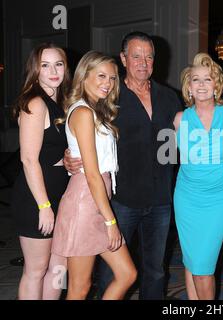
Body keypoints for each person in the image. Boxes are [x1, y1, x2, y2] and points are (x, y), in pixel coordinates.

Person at [64, 32, 182, 299]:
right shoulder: (108, 98)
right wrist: (69, 154)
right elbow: (82, 130)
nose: (143, 62)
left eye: (149, 57)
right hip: (121, 200)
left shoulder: (169, 97)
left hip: (161, 198)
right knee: (110, 273)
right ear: (124, 59)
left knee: (156, 270)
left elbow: (186, 137)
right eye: (136, 56)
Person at [51, 51, 137, 300]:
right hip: (85, 202)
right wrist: (111, 222)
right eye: (101, 76)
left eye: (112, 78)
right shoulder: (83, 113)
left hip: (96, 201)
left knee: (127, 274)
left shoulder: (93, 111)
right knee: (79, 288)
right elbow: (91, 174)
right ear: (84, 76)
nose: (108, 83)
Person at [173, 53, 223, 300]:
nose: (201, 85)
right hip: (187, 199)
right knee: (191, 261)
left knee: (202, 267)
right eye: (195, 80)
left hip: (220, 199)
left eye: (207, 79)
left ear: (216, 85)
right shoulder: (179, 119)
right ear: (188, 87)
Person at [10, 43, 71, 300]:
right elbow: (28, 159)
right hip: (37, 197)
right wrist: (44, 205)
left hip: (60, 192)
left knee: (59, 267)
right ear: (35, 71)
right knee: (36, 270)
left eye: (58, 64)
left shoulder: (61, 102)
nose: (53, 70)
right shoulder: (36, 103)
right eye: (44, 65)